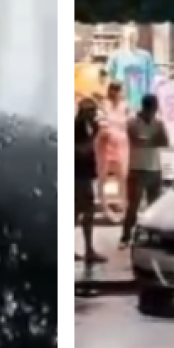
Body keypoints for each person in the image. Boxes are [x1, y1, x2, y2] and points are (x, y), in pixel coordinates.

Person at [120, 94, 169, 247]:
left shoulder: (158, 123)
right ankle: (126, 236)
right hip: (137, 168)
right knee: (133, 205)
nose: (155, 112)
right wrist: (152, 140)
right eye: (154, 108)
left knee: (154, 205)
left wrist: (148, 141)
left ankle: (152, 237)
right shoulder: (132, 123)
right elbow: (137, 140)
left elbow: (164, 141)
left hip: (155, 168)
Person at [75, 98, 104, 265]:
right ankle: (88, 250)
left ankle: (88, 248)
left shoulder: (89, 126)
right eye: (91, 111)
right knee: (86, 210)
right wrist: (92, 139)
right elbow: (80, 150)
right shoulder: (77, 126)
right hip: (79, 174)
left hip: (85, 173)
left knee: (80, 211)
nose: (94, 114)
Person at [96, 80, 129, 219]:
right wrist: (105, 130)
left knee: (122, 176)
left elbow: (129, 122)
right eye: (121, 91)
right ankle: (104, 207)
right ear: (114, 91)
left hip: (121, 144)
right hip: (105, 144)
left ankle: (123, 205)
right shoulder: (104, 105)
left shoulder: (125, 106)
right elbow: (101, 121)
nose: (123, 93)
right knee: (103, 176)